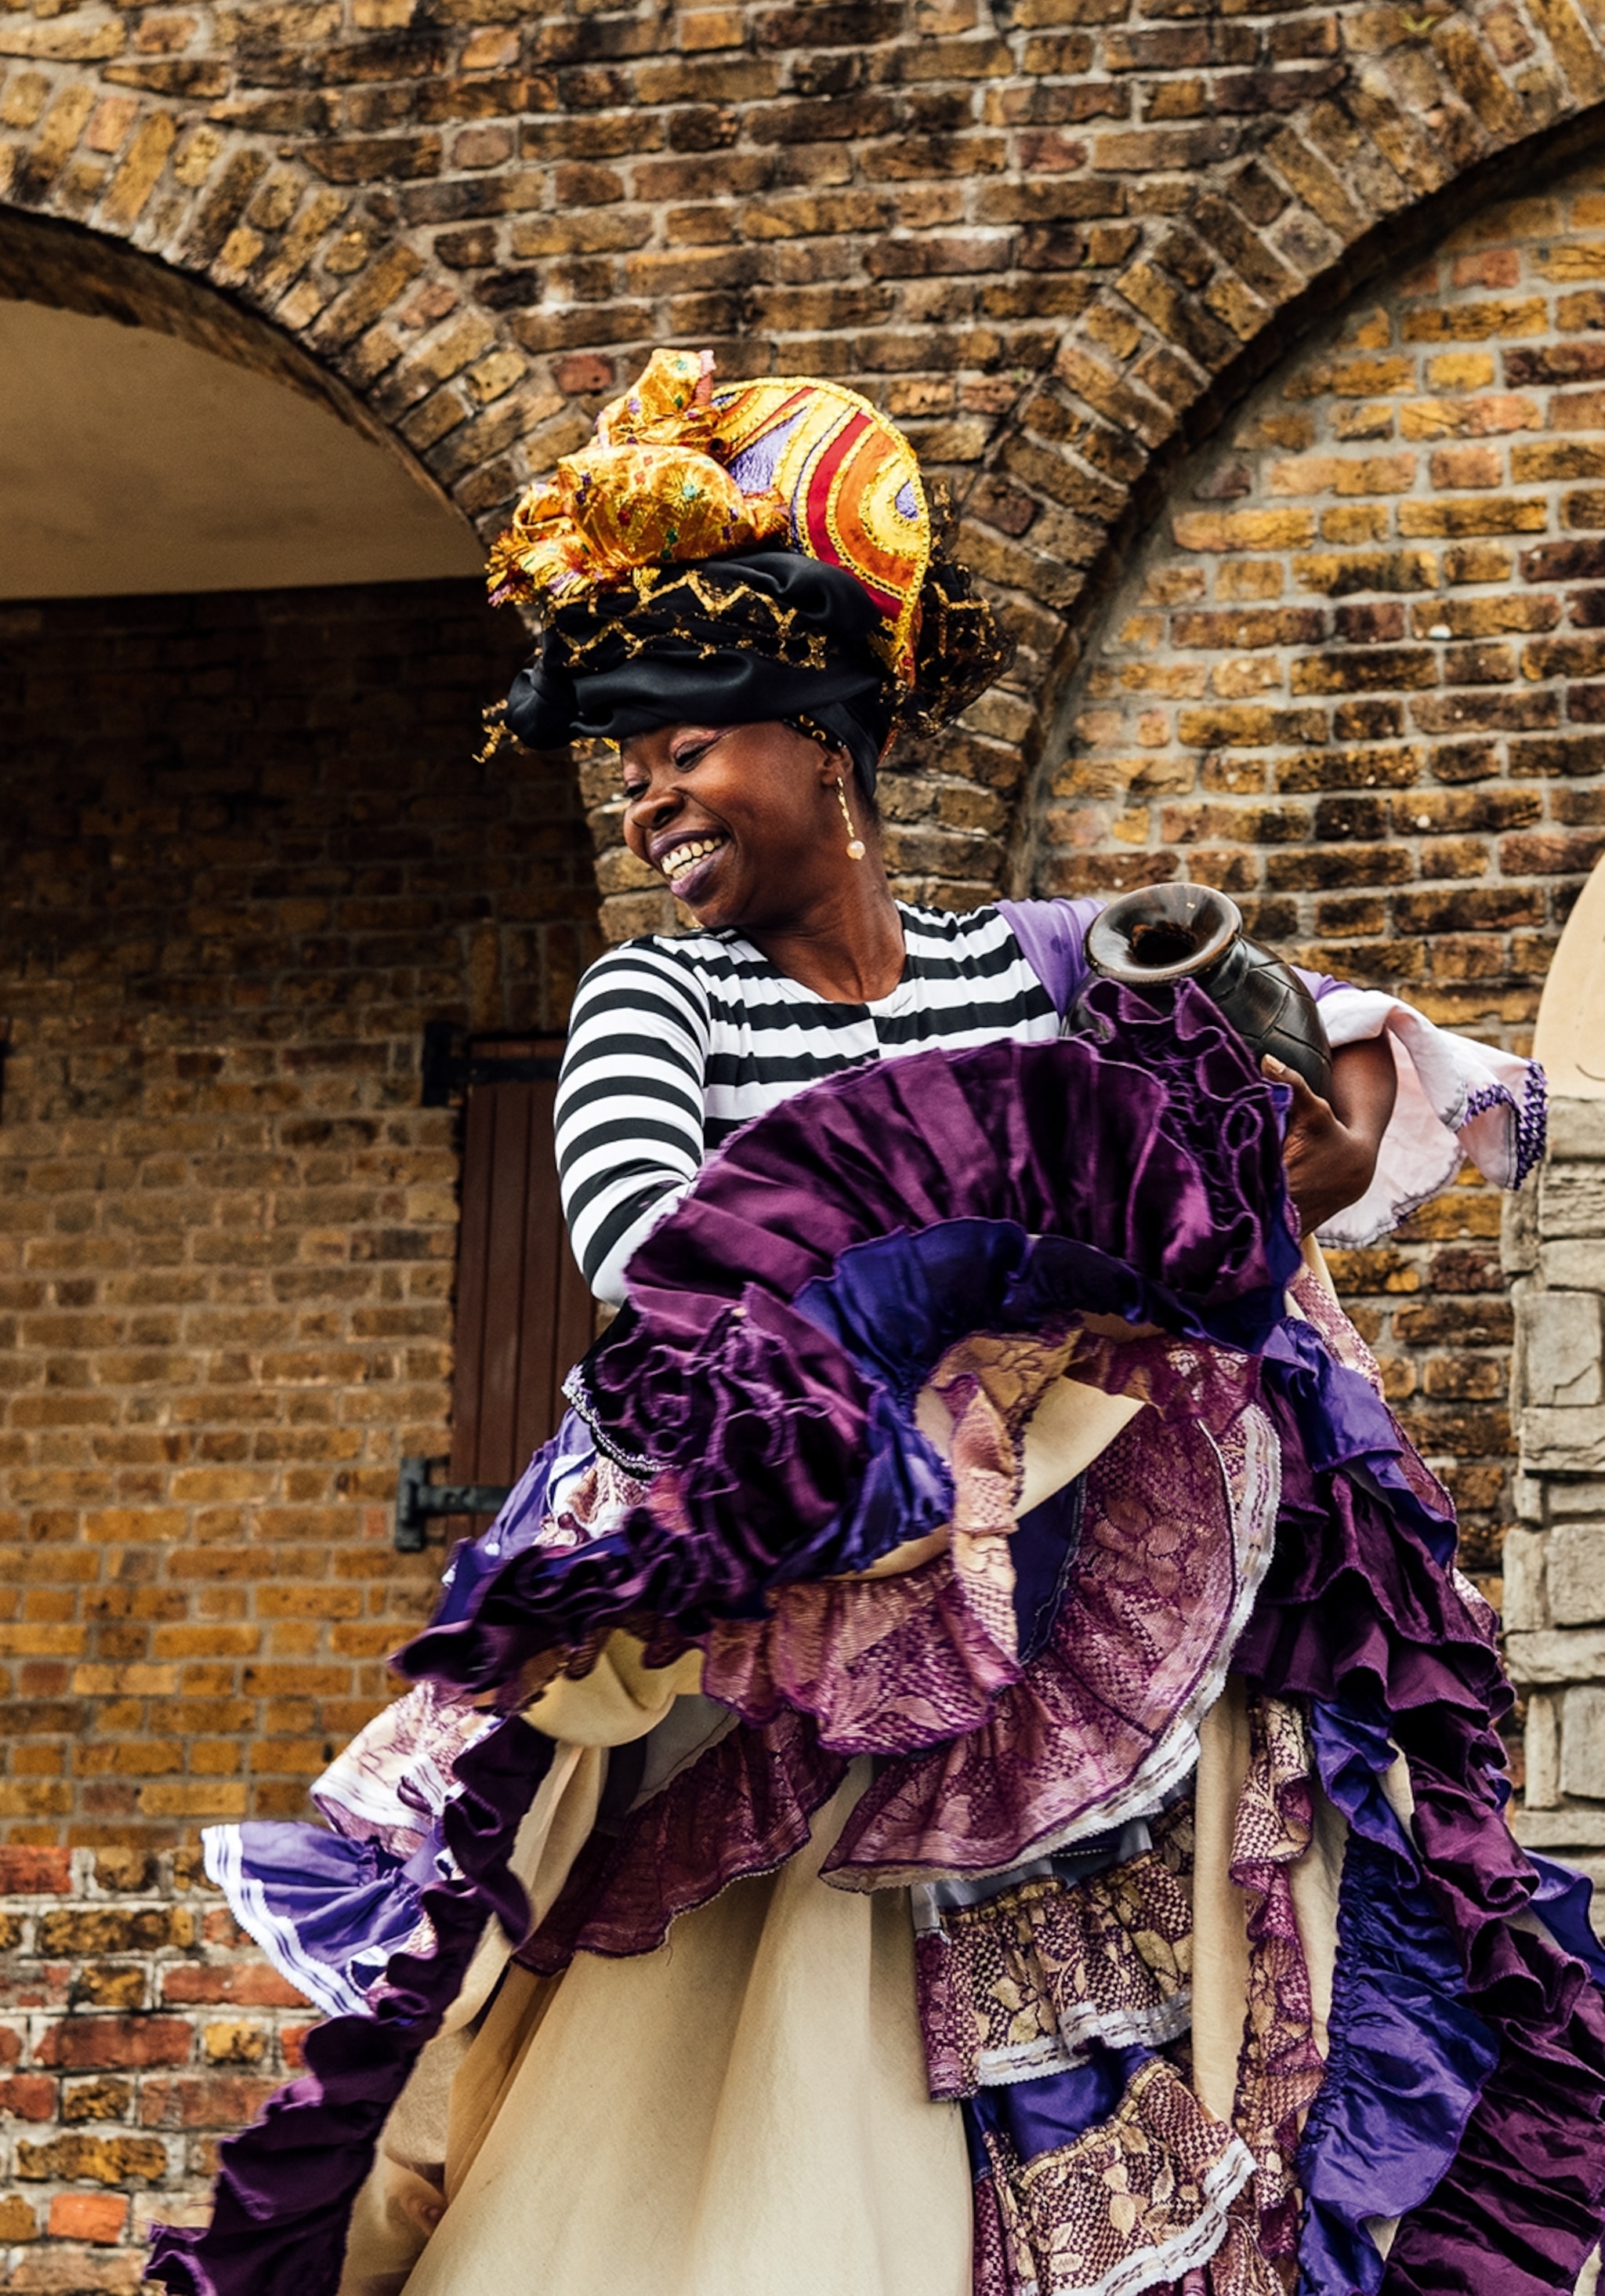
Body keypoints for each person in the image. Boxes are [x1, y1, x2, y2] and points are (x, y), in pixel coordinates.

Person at [150, 352, 1600, 2296]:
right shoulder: (649, 1008)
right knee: (771, 2119)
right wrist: (963, 1337)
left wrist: (1242, 1192)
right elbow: (658, 1263)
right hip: (788, 1610)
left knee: (1166, 2091)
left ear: (825, 736)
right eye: (625, 754)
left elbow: (1331, 1112)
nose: (651, 787)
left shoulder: (1060, 964)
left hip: (1105, 1638)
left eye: (684, 735)